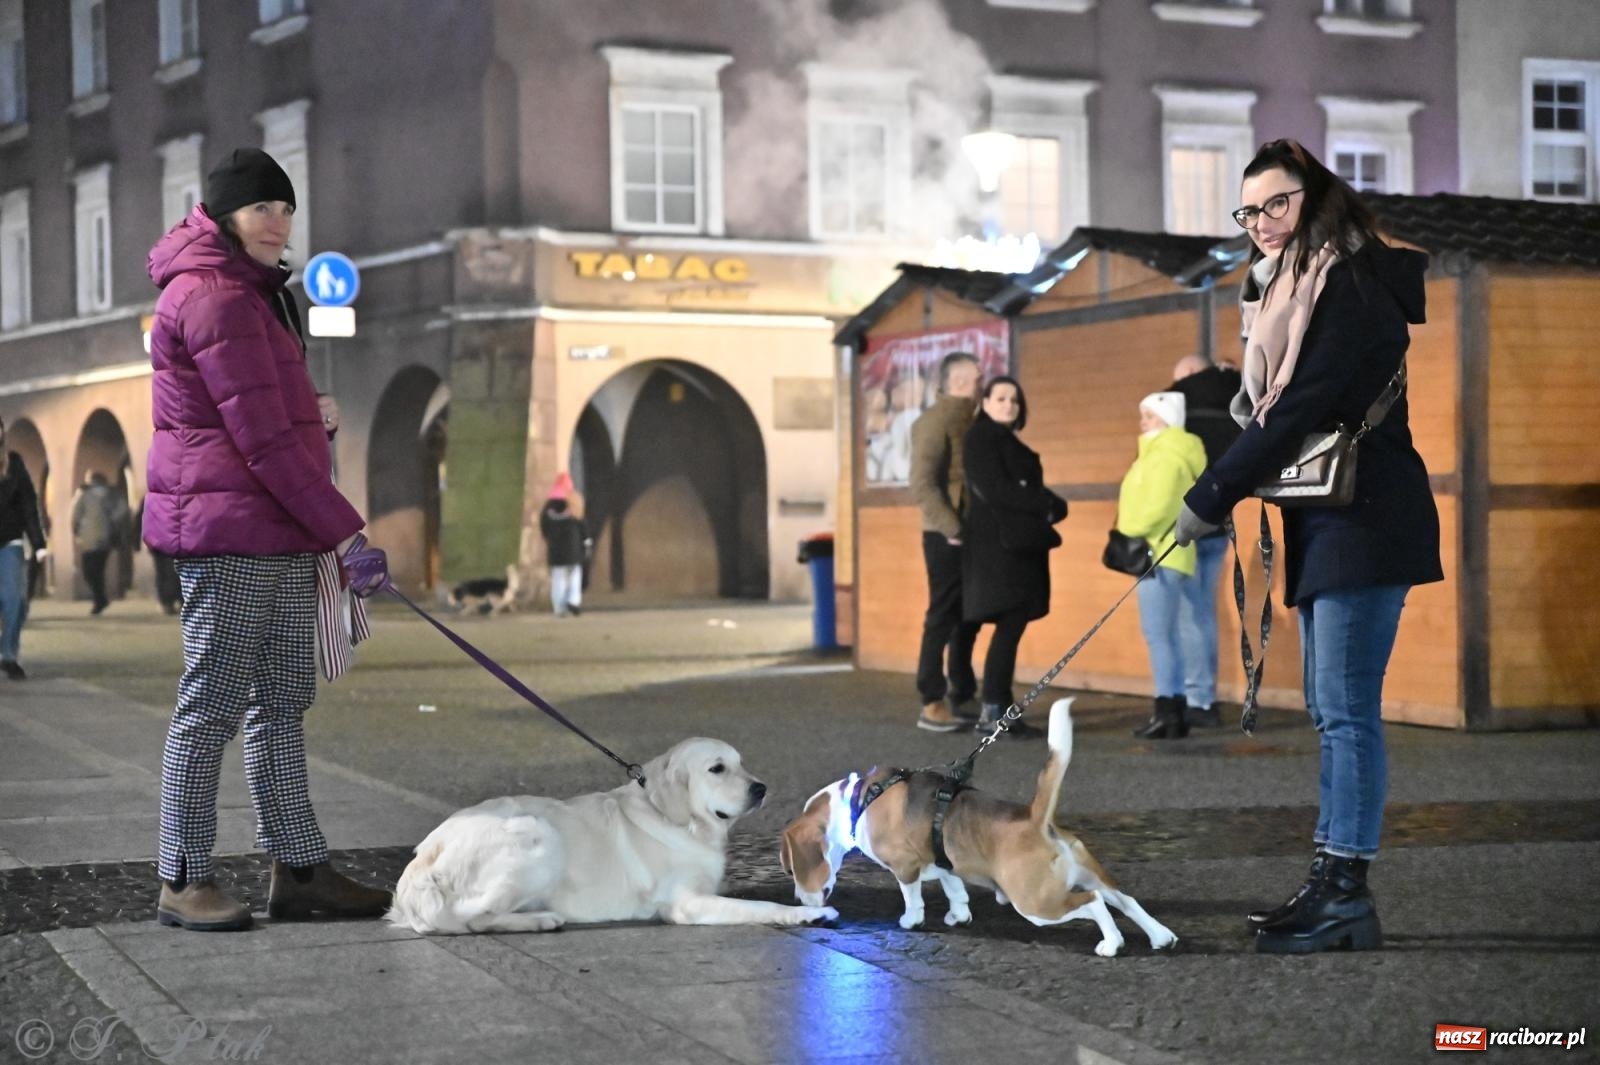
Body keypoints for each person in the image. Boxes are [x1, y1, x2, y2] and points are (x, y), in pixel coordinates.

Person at [1175, 139, 1442, 954]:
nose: (1261, 222)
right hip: (1329, 521)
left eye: (1277, 203)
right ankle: (1329, 880)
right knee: (1332, 712)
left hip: (1367, 521)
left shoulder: (1350, 284)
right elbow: (1273, 410)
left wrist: (1211, 493)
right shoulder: (1288, 286)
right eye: (1249, 210)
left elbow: (1298, 410)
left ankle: (1345, 892)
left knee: (1348, 713)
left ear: (1315, 196)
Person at [144, 147, 394, 932]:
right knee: (212, 702)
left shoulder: (254, 298)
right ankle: (181, 876)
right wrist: (345, 530)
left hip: (273, 527)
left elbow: (265, 416)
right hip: (231, 531)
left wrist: (309, 409)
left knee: (282, 701)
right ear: (222, 215)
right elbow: (259, 441)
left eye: (285, 210)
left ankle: (300, 865)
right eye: (261, 209)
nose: (277, 223)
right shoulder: (214, 297)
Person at [961, 376, 1067, 736]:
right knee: (1009, 624)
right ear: (986, 403)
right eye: (1001, 398)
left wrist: (1049, 503)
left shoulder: (1004, 440)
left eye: (1014, 400)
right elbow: (998, 489)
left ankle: (998, 707)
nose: (1008, 405)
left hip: (1013, 546)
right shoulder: (981, 438)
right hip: (1001, 548)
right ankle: (994, 710)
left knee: (1011, 625)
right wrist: (1046, 504)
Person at [1117, 392, 1207, 741]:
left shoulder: (1166, 458)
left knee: (1159, 636)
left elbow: (1157, 508)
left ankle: (1166, 709)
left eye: (1150, 416)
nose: (1143, 422)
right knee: (1175, 634)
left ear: (1168, 419)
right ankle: (1175, 710)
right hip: (1175, 555)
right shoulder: (1172, 453)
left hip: (1157, 554)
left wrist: (1126, 530)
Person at [1168, 354, 1244, 727]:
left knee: (1188, 614)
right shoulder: (1234, 399)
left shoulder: (1178, 408)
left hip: (1186, 523)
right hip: (1220, 522)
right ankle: (1203, 695)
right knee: (1204, 613)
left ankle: (1197, 698)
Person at [908, 351, 983, 732]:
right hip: (946, 535)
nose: (982, 382)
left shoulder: (971, 418)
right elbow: (922, 484)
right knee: (942, 615)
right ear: (956, 382)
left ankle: (960, 693)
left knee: (966, 616)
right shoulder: (935, 421)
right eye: (977, 377)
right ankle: (932, 700)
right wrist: (952, 528)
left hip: (968, 533)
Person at [0, 418, 47, 679]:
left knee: (16, 600)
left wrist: (38, 543)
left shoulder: (13, 463)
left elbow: (29, 504)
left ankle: (8, 656)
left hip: (10, 543)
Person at [72, 471, 125, 615]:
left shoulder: (85, 495)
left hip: (90, 539)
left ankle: (99, 599)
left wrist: (76, 530)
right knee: (97, 570)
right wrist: (113, 520)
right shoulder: (112, 494)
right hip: (103, 538)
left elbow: (76, 515)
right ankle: (100, 599)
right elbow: (122, 509)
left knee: (89, 571)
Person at [540, 472, 591, 617]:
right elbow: (582, 523)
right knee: (575, 574)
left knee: (558, 578)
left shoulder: (548, 506)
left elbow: (543, 526)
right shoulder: (574, 500)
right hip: (573, 547)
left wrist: (549, 539)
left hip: (555, 549)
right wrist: (587, 541)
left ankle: (559, 608)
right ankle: (573, 601)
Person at [136, 496, 182, 615]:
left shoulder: (151, 497)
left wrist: (136, 541)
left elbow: (140, 520)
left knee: (163, 572)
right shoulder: (180, 494)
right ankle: (176, 599)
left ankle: (166, 601)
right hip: (176, 540)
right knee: (176, 570)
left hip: (158, 540)